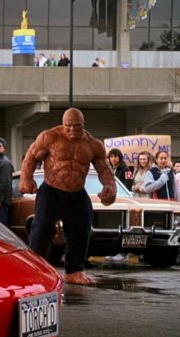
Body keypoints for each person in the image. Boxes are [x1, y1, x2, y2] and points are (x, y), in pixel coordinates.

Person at [19, 108, 116, 285]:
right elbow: (31, 157)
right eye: (68, 126)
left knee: (81, 231)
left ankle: (74, 271)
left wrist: (110, 186)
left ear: (83, 125)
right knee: (41, 230)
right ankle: (34, 269)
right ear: (63, 124)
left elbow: (104, 169)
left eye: (76, 126)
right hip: (51, 191)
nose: (71, 129)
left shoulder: (93, 144)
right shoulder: (49, 137)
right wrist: (26, 178)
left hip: (77, 193)